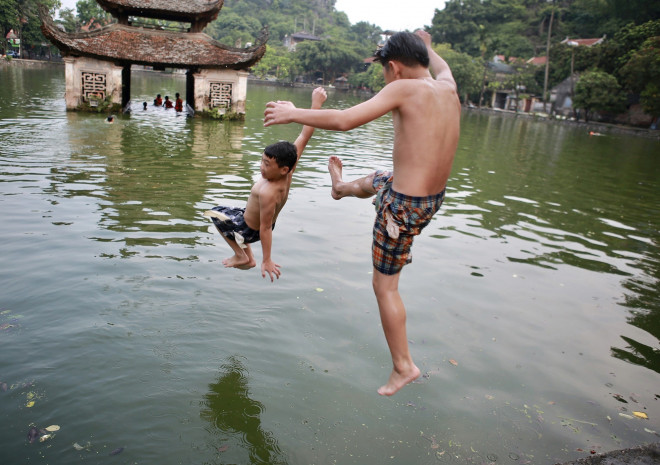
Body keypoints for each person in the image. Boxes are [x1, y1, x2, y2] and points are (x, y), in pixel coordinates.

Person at [264, 30, 460, 396]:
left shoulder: (404, 88)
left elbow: (344, 120)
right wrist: (430, 47)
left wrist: (293, 114)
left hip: (401, 209)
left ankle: (403, 366)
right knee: (379, 178)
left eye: (384, 73)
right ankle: (340, 188)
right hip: (429, 198)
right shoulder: (446, 86)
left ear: (394, 68)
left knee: (384, 286)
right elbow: (441, 65)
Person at [204, 87, 327, 282]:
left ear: (283, 169)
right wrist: (315, 105)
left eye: (267, 164)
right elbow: (304, 135)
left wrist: (267, 259)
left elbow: (266, 228)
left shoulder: (270, 192)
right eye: (262, 161)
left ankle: (243, 256)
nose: (262, 167)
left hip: (251, 229)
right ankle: (248, 257)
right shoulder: (289, 168)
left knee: (215, 214)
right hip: (249, 217)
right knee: (226, 212)